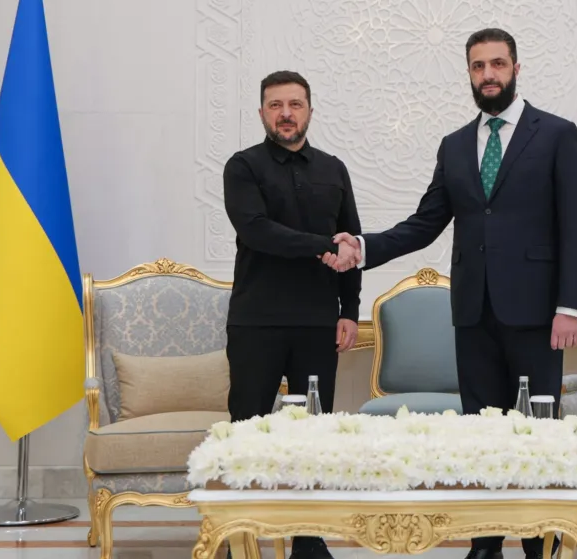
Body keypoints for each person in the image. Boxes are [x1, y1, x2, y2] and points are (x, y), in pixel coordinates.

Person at [323, 28, 577, 559]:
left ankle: (537, 546)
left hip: (538, 315)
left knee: (537, 436)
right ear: (469, 73)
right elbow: (424, 223)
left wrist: (569, 306)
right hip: (472, 313)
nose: (488, 74)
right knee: (480, 436)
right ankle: (485, 544)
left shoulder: (558, 134)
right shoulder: (454, 145)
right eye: (478, 66)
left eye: (497, 64)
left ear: (516, 69)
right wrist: (363, 247)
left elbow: (576, 227)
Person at [223, 70, 361, 559]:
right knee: (248, 431)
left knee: (312, 435)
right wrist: (325, 245)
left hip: (318, 323)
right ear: (262, 112)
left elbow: (351, 241)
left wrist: (350, 310)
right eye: (276, 105)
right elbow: (258, 231)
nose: (286, 114)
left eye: (295, 104)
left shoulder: (334, 168)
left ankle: (308, 537)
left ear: (309, 111)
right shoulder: (243, 166)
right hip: (256, 321)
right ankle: (240, 535)